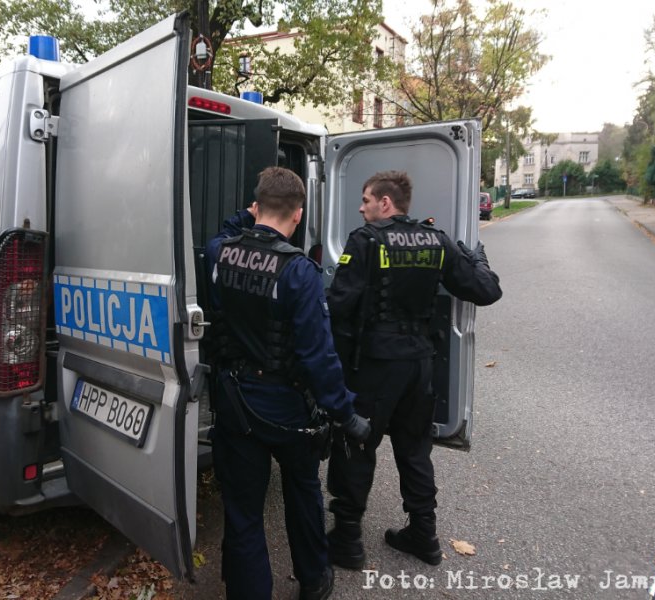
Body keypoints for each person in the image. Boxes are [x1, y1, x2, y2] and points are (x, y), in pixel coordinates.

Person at [206, 166, 370, 600]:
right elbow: (320, 356)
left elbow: (229, 230)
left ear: (256, 206)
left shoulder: (218, 253)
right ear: (298, 215)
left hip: (236, 400)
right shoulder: (299, 271)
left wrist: (249, 216)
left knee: (242, 512)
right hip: (288, 406)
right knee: (302, 491)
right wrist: (346, 414)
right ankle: (314, 581)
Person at [325, 170, 503, 570]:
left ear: (385, 203)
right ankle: (424, 534)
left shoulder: (364, 241)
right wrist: (476, 256)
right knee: (414, 449)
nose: (361, 207)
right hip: (420, 367)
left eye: (366, 199)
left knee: (357, 446)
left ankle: (348, 540)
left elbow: (337, 306)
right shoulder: (436, 241)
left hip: (374, 368)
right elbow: (486, 289)